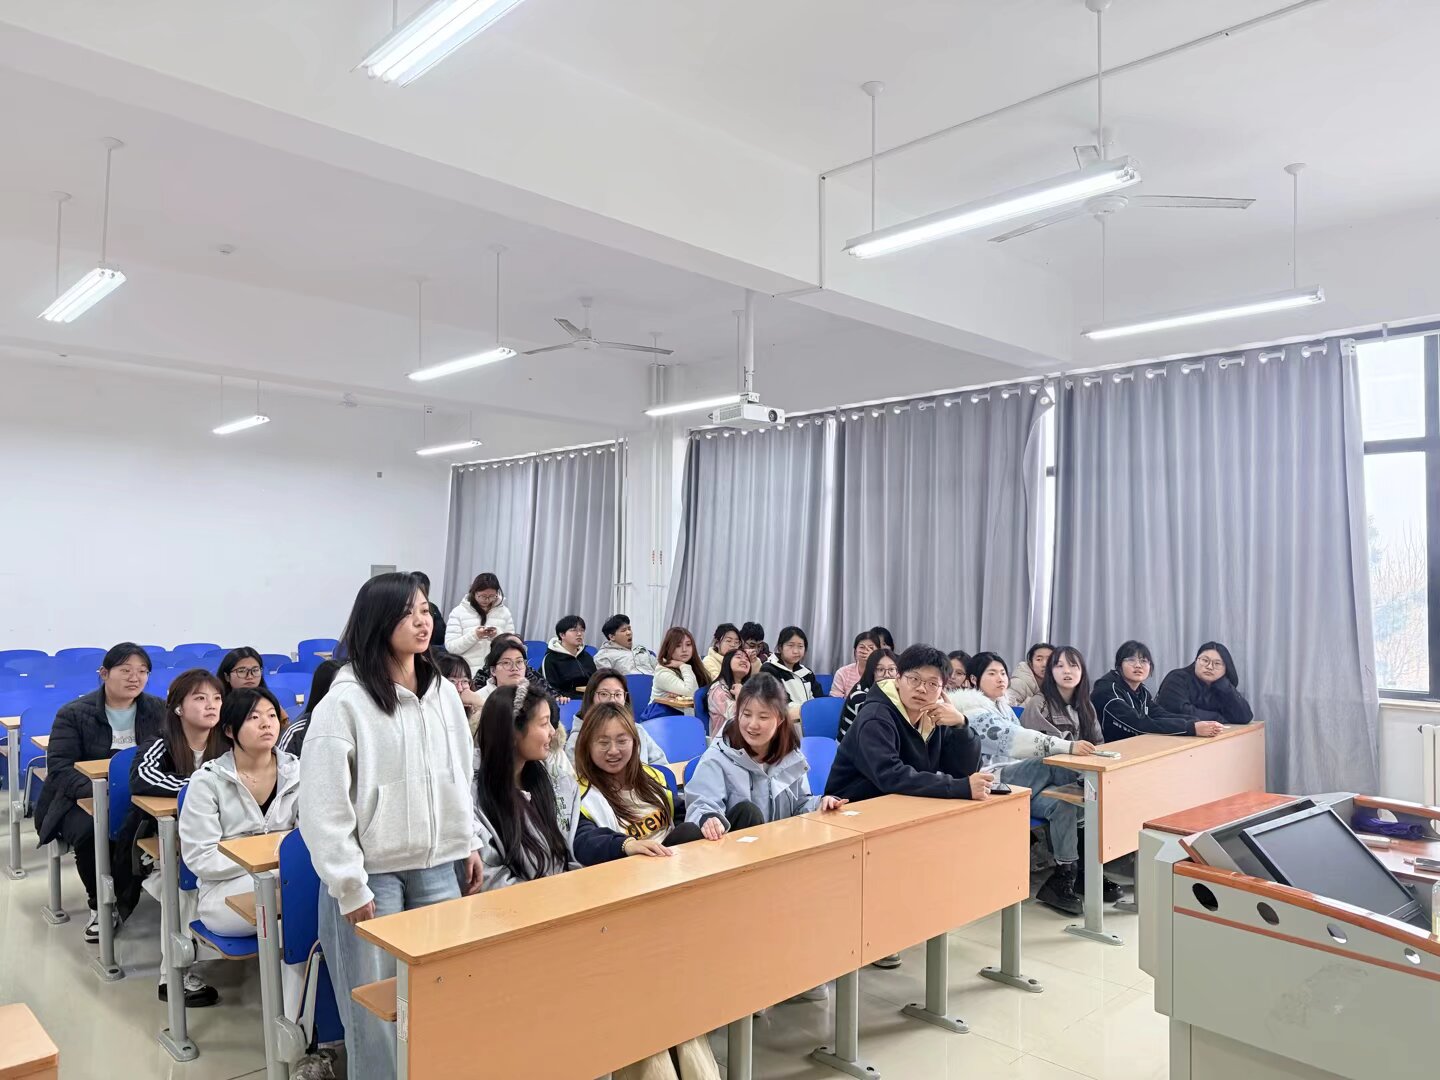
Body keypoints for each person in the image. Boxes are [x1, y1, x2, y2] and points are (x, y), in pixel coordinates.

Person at [301, 572, 483, 1080]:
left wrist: (467, 841)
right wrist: (348, 883)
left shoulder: (442, 692)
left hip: (438, 867)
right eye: (408, 613)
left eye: (425, 610)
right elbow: (322, 805)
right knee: (376, 1018)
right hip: (371, 877)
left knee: (441, 996)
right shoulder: (345, 701)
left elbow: (459, 775)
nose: (423, 622)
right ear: (378, 621)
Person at [34, 642, 161, 941]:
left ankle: (147, 882)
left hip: (140, 794)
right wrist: (103, 793)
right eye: (126, 670)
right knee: (94, 830)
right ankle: (101, 904)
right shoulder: (74, 714)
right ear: (104, 673)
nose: (135, 678)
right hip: (80, 798)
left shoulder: (158, 709)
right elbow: (60, 769)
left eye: (142, 671)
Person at [951, 652, 1095, 916]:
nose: (1000, 679)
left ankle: (1064, 876)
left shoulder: (1003, 706)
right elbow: (1016, 740)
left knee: (1063, 804)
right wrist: (1067, 746)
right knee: (1052, 763)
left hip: (1019, 781)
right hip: (993, 781)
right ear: (973, 679)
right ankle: (1091, 797)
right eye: (991, 674)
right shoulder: (972, 710)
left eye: (1003, 673)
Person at [128, 667, 228, 1007]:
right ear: (178, 708)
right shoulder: (161, 744)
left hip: (219, 840)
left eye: (217, 698)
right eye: (200, 698)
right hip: (162, 847)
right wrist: (202, 788)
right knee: (185, 884)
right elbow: (142, 779)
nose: (211, 705)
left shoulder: (228, 743)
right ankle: (172, 976)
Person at [180, 687, 300, 936]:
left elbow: (310, 838)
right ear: (229, 730)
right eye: (253, 717)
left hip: (289, 875)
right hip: (225, 887)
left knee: (314, 898)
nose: (266, 724)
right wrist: (266, 863)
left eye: (271, 715)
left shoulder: (298, 772)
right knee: (303, 908)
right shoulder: (207, 781)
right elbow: (202, 857)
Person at [825, 644, 994, 804]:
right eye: (914, 679)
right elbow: (890, 776)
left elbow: (964, 771)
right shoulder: (875, 717)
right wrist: (959, 787)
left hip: (904, 804)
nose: (921, 689)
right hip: (853, 807)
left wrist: (961, 725)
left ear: (942, 690)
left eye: (932, 684)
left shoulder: (935, 715)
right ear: (898, 679)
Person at [687, 674, 846, 838]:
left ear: (780, 719)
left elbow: (800, 805)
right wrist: (708, 818)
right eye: (746, 714)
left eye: (763, 717)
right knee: (748, 812)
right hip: (735, 848)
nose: (752, 724)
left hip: (779, 845)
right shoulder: (718, 756)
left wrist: (821, 804)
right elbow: (702, 804)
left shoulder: (791, 757)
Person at [570, 702, 704, 864]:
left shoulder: (652, 776)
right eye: (603, 743)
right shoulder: (581, 794)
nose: (613, 750)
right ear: (587, 746)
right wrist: (626, 845)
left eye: (622, 741)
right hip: (628, 869)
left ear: (634, 742)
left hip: (671, 862)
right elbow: (584, 842)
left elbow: (680, 813)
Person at [473, 682, 576, 889]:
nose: (552, 732)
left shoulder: (554, 780)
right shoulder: (474, 794)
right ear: (513, 732)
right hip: (517, 903)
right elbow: (489, 876)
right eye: (544, 723)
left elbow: (571, 847)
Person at [1094, 641, 1222, 740]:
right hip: (1107, 754)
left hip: (1134, 749)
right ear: (1119, 665)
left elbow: (1159, 714)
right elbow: (1138, 723)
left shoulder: (1141, 691)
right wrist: (1191, 728)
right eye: (1131, 660)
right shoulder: (1107, 690)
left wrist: (1194, 721)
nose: (1138, 665)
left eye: (1143, 661)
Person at [567, 670, 667, 767]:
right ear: (590, 697)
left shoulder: (637, 730)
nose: (612, 700)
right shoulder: (577, 739)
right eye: (604, 694)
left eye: (618, 694)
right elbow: (576, 775)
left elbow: (661, 764)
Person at [1156, 642, 1255, 728]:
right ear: (1196, 661)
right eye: (1205, 660)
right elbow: (1180, 711)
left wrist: (1226, 688)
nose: (1209, 667)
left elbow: (1244, 717)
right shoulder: (1177, 678)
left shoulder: (1222, 686)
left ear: (1226, 669)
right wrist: (1218, 717)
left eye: (1217, 663)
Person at [1019, 645, 1103, 745]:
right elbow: (1034, 745)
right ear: (1050, 671)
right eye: (1060, 666)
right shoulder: (1039, 704)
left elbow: (1098, 742)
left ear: (1082, 672)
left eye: (1073, 665)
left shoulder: (1086, 705)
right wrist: (1072, 747)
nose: (1067, 671)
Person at [443, 572, 515, 670]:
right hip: (467, 671)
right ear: (474, 592)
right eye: (483, 596)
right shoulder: (458, 612)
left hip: (495, 671)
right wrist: (475, 635)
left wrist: (497, 635)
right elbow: (451, 648)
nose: (487, 600)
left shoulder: (504, 612)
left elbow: (512, 645)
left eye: (492, 596)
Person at [275, 658, 343, 758]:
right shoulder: (296, 733)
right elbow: (282, 765)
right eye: (339, 687)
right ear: (324, 690)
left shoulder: (358, 725)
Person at [759, 626, 824, 715]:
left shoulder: (807, 673)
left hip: (809, 718)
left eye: (800, 646)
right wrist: (806, 712)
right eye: (790, 645)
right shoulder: (769, 669)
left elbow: (819, 699)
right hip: (783, 719)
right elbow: (778, 701)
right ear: (780, 647)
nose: (796, 651)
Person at [838, 648, 897, 742]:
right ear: (871, 671)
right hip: (851, 746)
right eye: (880, 669)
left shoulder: (894, 692)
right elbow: (878, 721)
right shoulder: (858, 695)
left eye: (891, 669)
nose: (887, 675)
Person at [650, 626, 710, 715]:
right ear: (668, 648)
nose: (684, 650)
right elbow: (692, 693)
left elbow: (708, 690)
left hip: (684, 717)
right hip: (661, 719)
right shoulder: (662, 672)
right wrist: (683, 666)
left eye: (688, 645)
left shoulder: (693, 665)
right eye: (678, 646)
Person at [216, 647, 289, 720]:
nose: (250, 676)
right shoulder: (217, 704)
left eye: (255, 670)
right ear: (227, 676)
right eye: (242, 671)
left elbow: (285, 724)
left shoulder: (269, 701)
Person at [543, 615, 596, 698]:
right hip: (567, 701)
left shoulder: (587, 656)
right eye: (574, 630)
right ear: (562, 635)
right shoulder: (550, 659)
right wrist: (561, 697)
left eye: (582, 630)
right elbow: (549, 688)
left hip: (589, 698)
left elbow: (596, 681)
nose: (579, 634)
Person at [706, 648, 754, 738]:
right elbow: (734, 716)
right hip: (725, 740)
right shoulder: (717, 689)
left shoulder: (749, 688)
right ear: (727, 662)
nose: (744, 660)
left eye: (747, 659)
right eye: (738, 657)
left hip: (746, 736)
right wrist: (740, 695)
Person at [435, 652, 486, 737]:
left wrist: (480, 703)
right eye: (452, 681)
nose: (460, 688)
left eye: (464, 681)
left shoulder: (475, 710)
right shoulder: (432, 713)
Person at [592, 614, 657, 675]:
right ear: (612, 637)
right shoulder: (603, 657)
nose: (629, 633)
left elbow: (658, 668)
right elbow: (607, 680)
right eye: (623, 630)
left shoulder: (640, 649)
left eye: (629, 629)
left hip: (653, 681)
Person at [829, 631, 879, 699]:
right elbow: (835, 700)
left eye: (871, 648)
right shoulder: (843, 672)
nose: (865, 651)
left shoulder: (883, 672)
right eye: (862, 647)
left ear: (878, 652)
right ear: (855, 651)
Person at [1007, 642, 1054, 706]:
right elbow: (1007, 709)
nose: (1044, 664)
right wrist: (1030, 703)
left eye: (1050, 659)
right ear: (1031, 664)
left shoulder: (1059, 683)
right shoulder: (1018, 683)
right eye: (1039, 659)